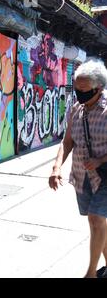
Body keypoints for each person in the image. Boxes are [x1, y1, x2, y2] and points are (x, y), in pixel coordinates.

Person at [49, 60, 107, 278]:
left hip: (105, 175)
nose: (78, 94)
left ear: (98, 88)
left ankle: (91, 273)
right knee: (95, 223)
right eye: (76, 89)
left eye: (83, 90)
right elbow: (67, 142)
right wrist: (56, 167)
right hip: (83, 176)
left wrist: (101, 160)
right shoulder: (76, 109)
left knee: (96, 218)